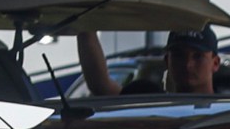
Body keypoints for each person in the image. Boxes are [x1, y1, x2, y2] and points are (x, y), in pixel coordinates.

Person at [76, 26, 220, 97]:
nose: (188, 64)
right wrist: (85, 28)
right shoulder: (151, 102)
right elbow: (100, 86)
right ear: (166, 61)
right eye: (178, 56)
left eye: (197, 56)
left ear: (215, 63)